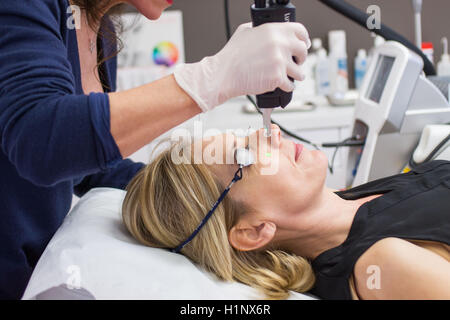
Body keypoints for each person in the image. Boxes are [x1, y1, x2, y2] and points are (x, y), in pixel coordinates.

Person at [0, 0, 310, 299]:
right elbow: (41, 142)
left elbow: (86, 164)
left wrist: (187, 194)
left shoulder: (99, 32)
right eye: (240, 156)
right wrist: (211, 78)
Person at [122, 126, 450, 300]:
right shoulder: (380, 265)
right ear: (252, 230)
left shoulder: (350, 199)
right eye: (246, 153)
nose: (273, 131)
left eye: (249, 134)